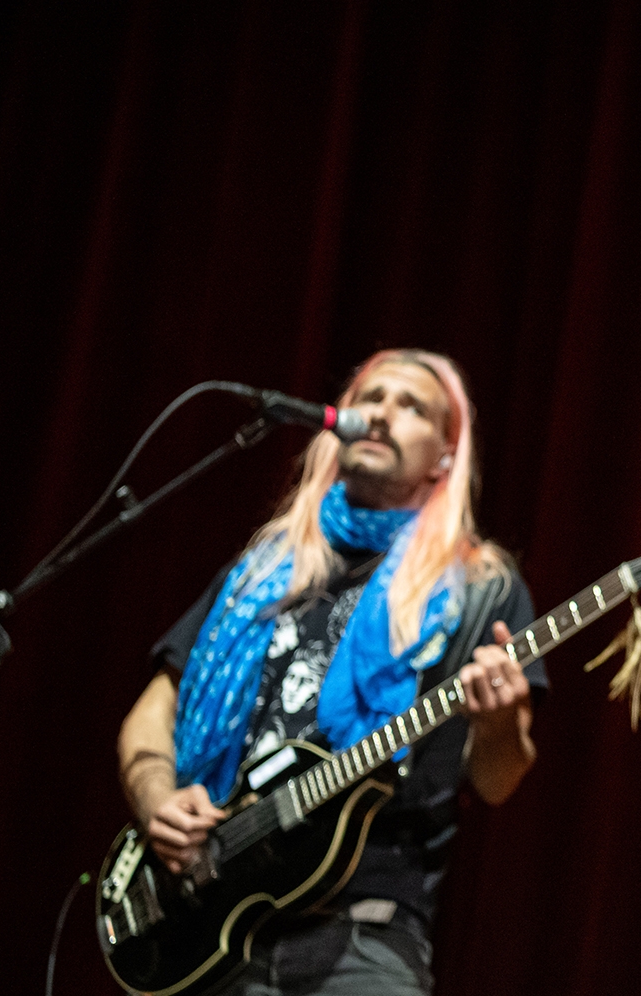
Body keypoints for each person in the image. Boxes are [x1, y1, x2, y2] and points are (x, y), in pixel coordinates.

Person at [117, 349, 546, 993]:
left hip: (362, 934)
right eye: (370, 398)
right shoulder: (264, 570)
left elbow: (497, 780)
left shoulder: (481, 587)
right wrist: (157, 799)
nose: (380, 416)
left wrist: (501, 719)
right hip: (211, 918)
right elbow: (156, 706)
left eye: (411, 407)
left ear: (446, 456)